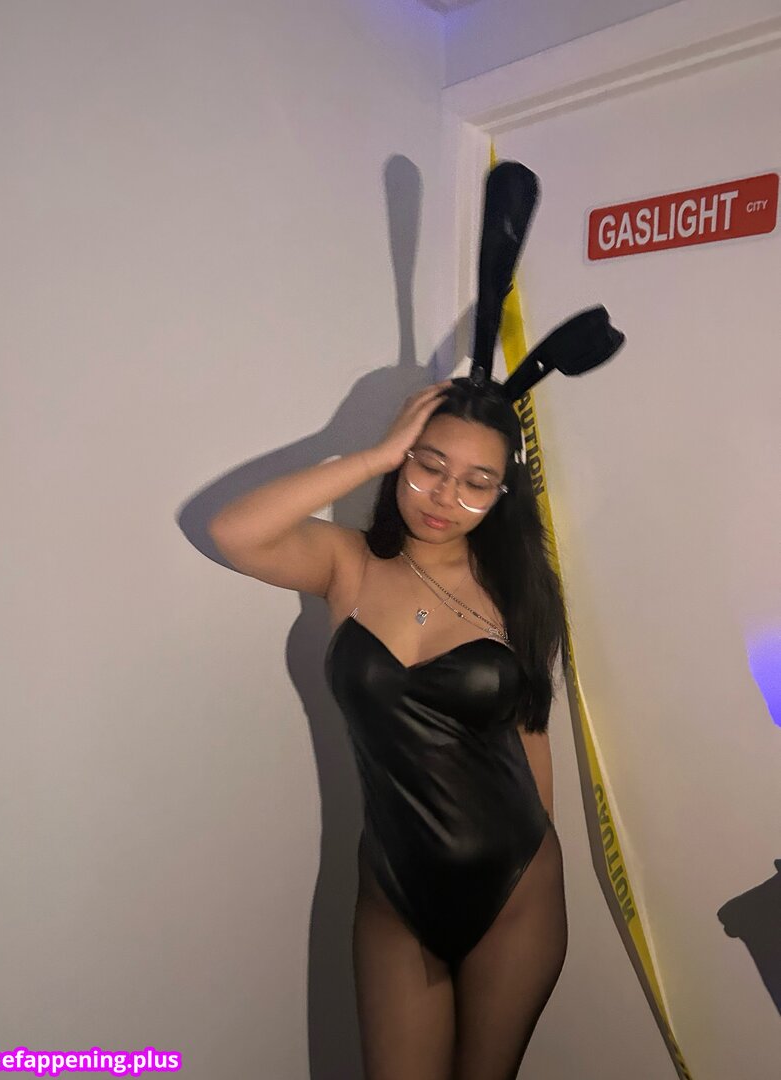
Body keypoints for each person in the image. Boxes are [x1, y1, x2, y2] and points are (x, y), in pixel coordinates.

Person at [208, 370, 574, 1080]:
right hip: (394, 895)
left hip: (516, 893)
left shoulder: (519, 589)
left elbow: (532, 735)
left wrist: (539, 859)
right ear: (402, 457)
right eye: (429, 466)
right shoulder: (348, 565)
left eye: (476, 482)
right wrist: (372, 457)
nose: (444, 496)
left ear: (503, 493)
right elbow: (233, 532)